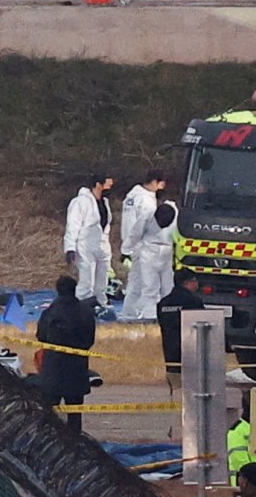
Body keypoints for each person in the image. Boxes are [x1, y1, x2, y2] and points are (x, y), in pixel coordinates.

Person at [33, 273, 101, 417]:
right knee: (75, 415)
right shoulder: (86, 312)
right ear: (74, 289)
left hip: (53, 369)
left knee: (49, 416)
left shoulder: (50, 312)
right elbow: (89, 339)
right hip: (77, 369)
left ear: (57, 290)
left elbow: (41, 336)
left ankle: (50, 439)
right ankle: (74, 438)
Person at [117, 175, 174, 327]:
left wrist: (127, 248)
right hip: (148, 249)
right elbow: (135, 231)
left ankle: (149, 314)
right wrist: (127, 249)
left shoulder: (138, 198)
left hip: (160, 251)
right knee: (148, 285)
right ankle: (143, 315)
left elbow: (134, 231)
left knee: (161, 286)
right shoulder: (145, 204)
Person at [62, 173, 114, 304]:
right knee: (86, 281)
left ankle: (100, 304)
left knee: (102, 280)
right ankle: (81, 306)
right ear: (98, 184)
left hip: (102, 246)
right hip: (85, 246)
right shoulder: (80, 202)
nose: (110, 188)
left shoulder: (105, 203)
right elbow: (72, 225)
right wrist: (70, 247)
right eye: (107, 184)